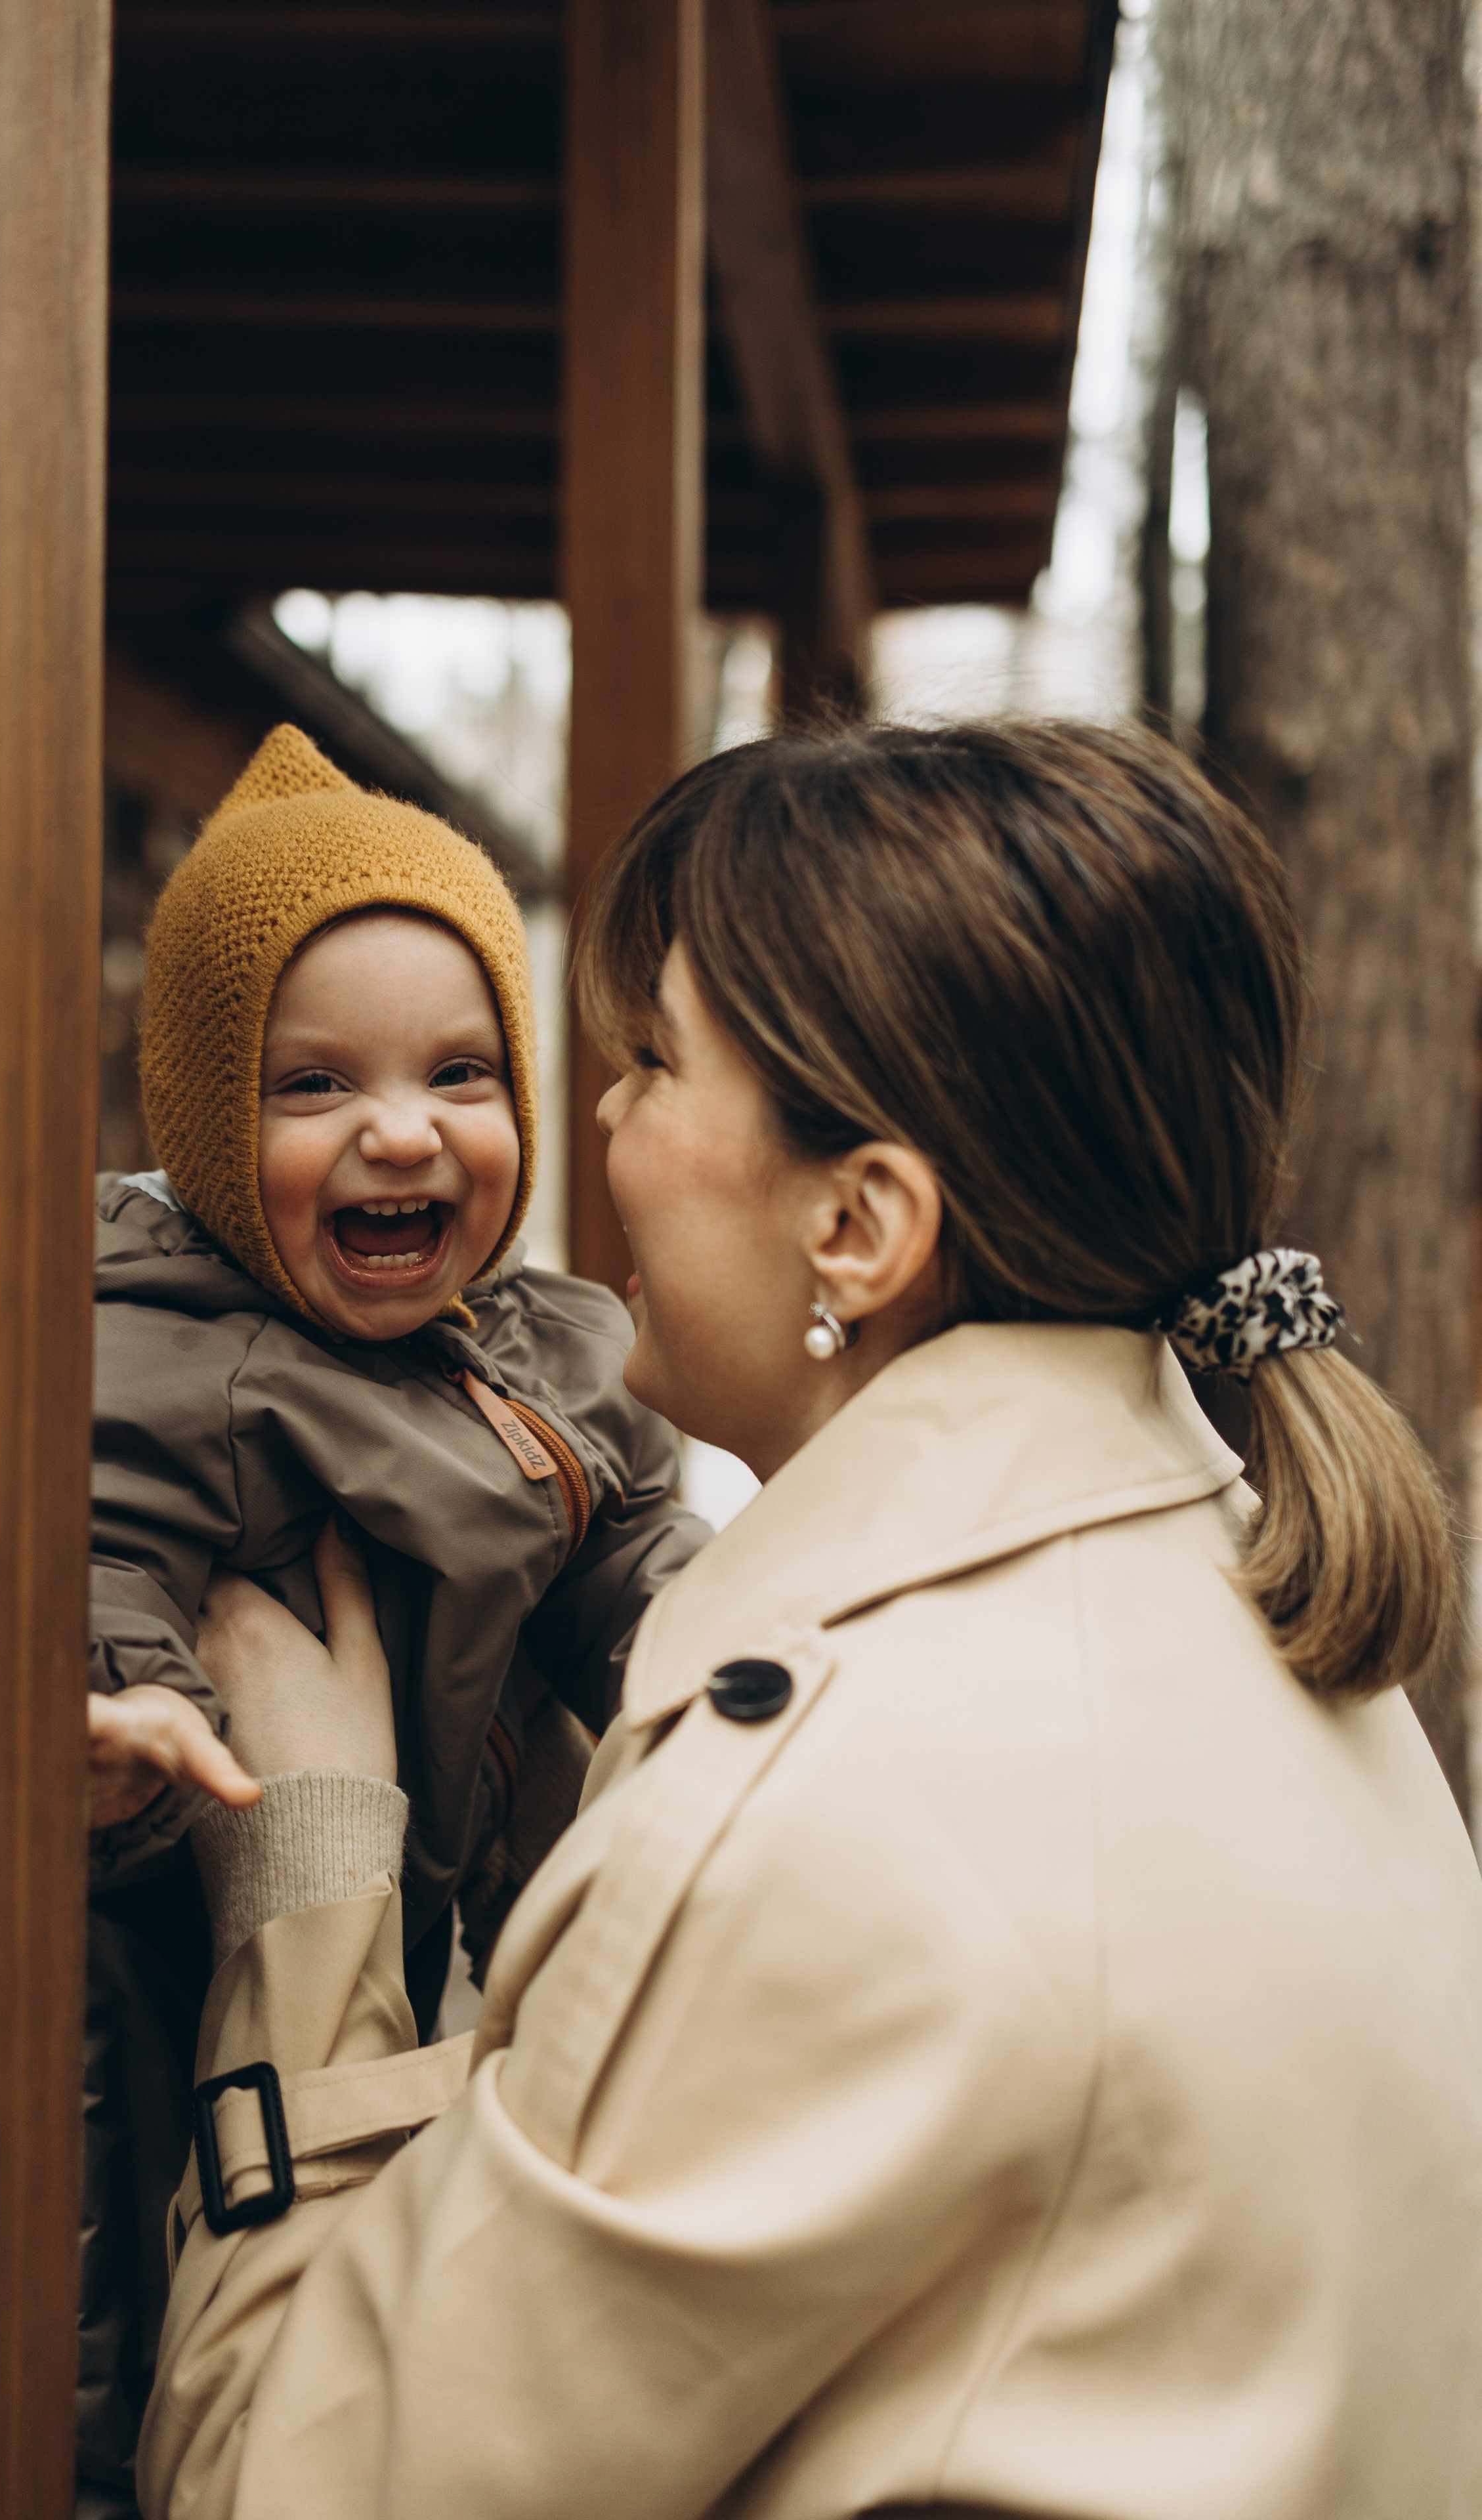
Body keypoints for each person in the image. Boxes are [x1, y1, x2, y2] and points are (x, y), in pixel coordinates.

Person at [140, 723, 1482, 2520]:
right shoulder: (1259, 1596)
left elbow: (292, 2497)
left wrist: (309, 1872)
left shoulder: (814, 1821)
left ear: (861, 1226)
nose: (596, 1121)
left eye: (655, 1061)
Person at [77, 723, 707, 2514]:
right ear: (204, 1121)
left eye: (461, 1074)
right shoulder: (166, 1353)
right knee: (130, 2289)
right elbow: (96, 1546)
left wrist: (727, 1657)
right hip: (180, 1924)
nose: (404, 1132)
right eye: (313, 1088)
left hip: (435, 1941)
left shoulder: (547, 1348)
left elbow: (634, 1549)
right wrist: (122, 1699)